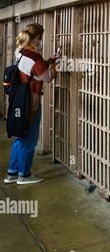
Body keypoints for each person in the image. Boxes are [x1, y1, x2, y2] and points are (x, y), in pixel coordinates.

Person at [4, 23, 59, 185]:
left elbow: (33, 70)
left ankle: (12, 173)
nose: (41, 42)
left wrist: (48, 60)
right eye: (40, 38)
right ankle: (24, 175)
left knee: (20, 136)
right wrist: (54, 66)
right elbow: (47, 77)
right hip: (31, 103)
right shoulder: (34, 56)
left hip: (19, 101)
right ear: (37, 38)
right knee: (29, 138)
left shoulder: (21, 53)